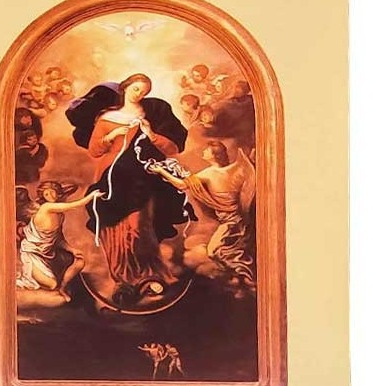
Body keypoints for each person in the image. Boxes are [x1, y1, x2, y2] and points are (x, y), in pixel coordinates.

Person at [66, 73, 192, 304]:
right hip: (111, 175)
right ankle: (124, 278)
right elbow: (94, 151)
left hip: (140, 177)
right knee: (113, 226)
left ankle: (149, 274)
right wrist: (111, 136)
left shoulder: (151, 116)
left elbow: (172, 149)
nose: (139, 94)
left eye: (144, 92)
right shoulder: (107, 118)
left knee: (139, 225)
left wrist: (151, 134)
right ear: (125, 88)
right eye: (136, 89)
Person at [148, 141, 256, 291]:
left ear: (215, 155)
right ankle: (240, 275)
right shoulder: (232, 169)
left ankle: (245, 275)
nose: (203, 152)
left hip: (232, 221)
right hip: (232, 219)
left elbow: (181, 185)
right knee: (220, 251)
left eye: (207, 151)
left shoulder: (210, 174)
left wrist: (161, 171)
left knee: (214, 251)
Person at [15, 181, 102, 299]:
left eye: (53, 192)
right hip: (33, 254)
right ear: (43, 196)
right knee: (52, 284)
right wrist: (91, 196)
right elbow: (73, 205)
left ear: (58, 193)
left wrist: (72, 249)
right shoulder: (46, 208)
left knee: (80, 262)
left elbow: (58, 239)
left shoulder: (60, 215)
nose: (50, 196)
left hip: (50, 253)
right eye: (46, 194)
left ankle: (63, 288)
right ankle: (38, 279)